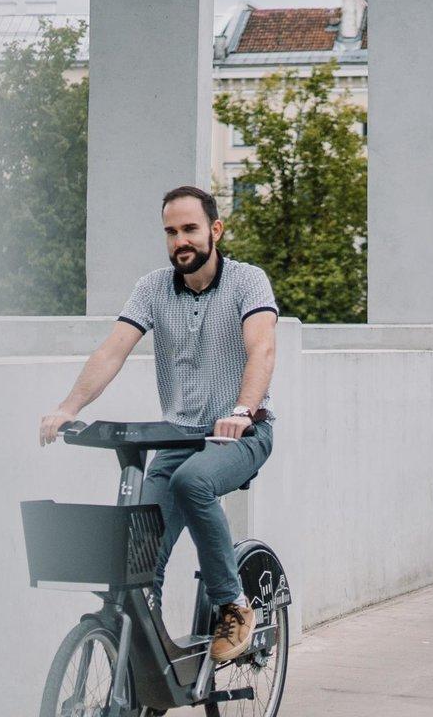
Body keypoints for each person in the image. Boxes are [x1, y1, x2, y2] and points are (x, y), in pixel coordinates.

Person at [37, 186, 280, 663]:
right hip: (178, 436)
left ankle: (233, 605)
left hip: (243, 433)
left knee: (194, 482)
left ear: (214, 230)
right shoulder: (151, 288)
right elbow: (112, 350)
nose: (180, 241)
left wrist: (242, 410)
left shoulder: (248, 281)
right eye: (171, 232)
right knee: (138, 553)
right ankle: (148, 672)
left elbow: (262, 349)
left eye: (189, 229)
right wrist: (69, 407)